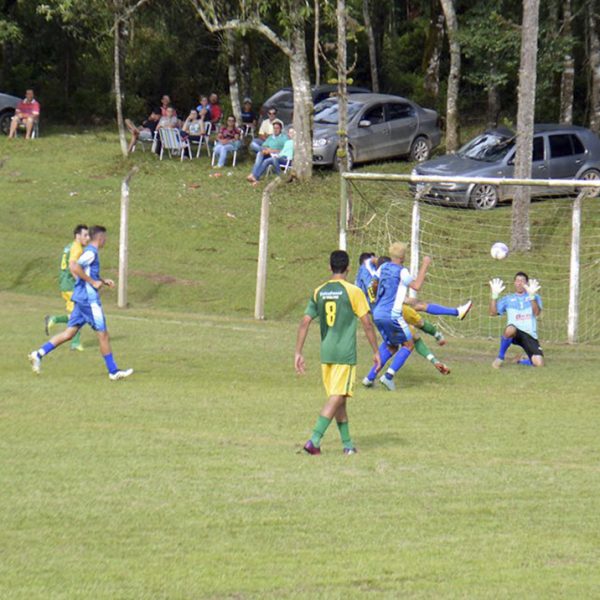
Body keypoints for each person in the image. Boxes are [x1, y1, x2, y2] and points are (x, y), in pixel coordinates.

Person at [295, 250, 381, 455]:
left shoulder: (319, 291)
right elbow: (367, 323)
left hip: (327, 353)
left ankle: (348, 445)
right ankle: (314, 440)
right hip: (344, 353)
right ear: (349, 268)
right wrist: (376, 351)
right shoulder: (353, 292)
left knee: (340, 398)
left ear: (329, 267)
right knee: (337, 396)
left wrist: (298, 352)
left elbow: (305, 321)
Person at [28, 226, 133, 381]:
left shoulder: (90, 252)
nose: (106, 240)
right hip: (88, 301)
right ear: (101, 238)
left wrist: (102, 281)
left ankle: (38, 354)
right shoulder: (91, 252)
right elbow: (74, 266)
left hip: (81, 299)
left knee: (69, 333)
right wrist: (92, 282)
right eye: (105, 238)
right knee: (103, 334)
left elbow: (85, 271)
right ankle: (113, 371)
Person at [369, 242, 432, 391]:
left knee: (391, 346)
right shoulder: (402, 271)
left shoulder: (383, 267)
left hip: (377, 313)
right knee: (409, 345)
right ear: (403, 256)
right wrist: (425, 264)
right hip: (392, 314)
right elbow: (416, 286)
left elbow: (373, 284)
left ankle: (369, 377)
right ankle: (388, 377)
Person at [44, 224, 90, 352]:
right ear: (78, 236)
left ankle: (55, 320)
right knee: (78, 313)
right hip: (70, 284)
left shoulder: (69, 246)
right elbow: (72, 266)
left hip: (64, 283)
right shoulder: (77, 248)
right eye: (85, 235)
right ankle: (74, 342)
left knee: (76, 313)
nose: (88, 238)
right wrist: (80, 282)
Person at [489, 272, 544, 368]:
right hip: (515, 332)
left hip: (529, 335)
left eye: (522, 281)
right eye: (517, 281)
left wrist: (531, 296)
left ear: (526, 284)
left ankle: (520, 361)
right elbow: (492, 313)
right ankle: (500, 357)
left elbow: (536, 313)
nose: (519, 283)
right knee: (510, 328)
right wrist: (494, 296)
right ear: (514, 283)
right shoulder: (508, 299)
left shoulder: (534, 297)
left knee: (539, 363)